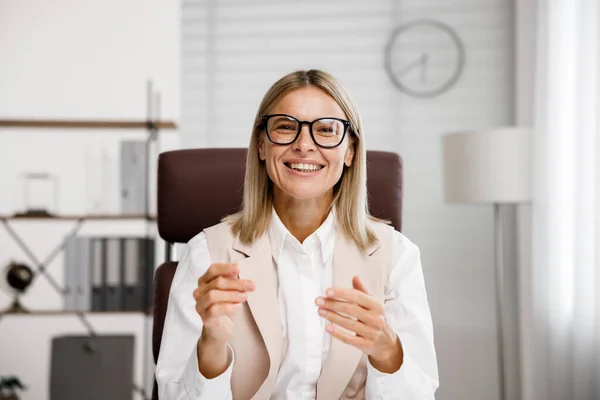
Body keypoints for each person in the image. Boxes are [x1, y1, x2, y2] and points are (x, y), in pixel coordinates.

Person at [155, 69, 439, 399]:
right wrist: (211, 347)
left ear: (349, 151)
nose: (304, 145)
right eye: (286, 127)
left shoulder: (396, 256)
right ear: (262, 145)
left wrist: (387, 351)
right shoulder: (207, 254)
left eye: (326, 130)